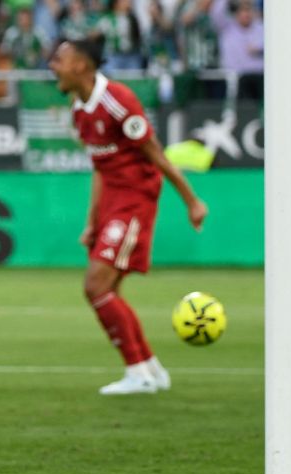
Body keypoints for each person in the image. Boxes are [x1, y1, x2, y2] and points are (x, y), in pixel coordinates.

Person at [49, 38, 208, 395]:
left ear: (81, 65)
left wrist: (191, 201)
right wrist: (92, 222)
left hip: (135, 200)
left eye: (60, 59)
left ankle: (138, 373)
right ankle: (150, 369)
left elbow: (157, 155)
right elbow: (100, 169)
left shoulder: (118, 101)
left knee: (96, 287)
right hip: (112, 203)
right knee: (109, 290)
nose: (52, 66)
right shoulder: (79, 110)